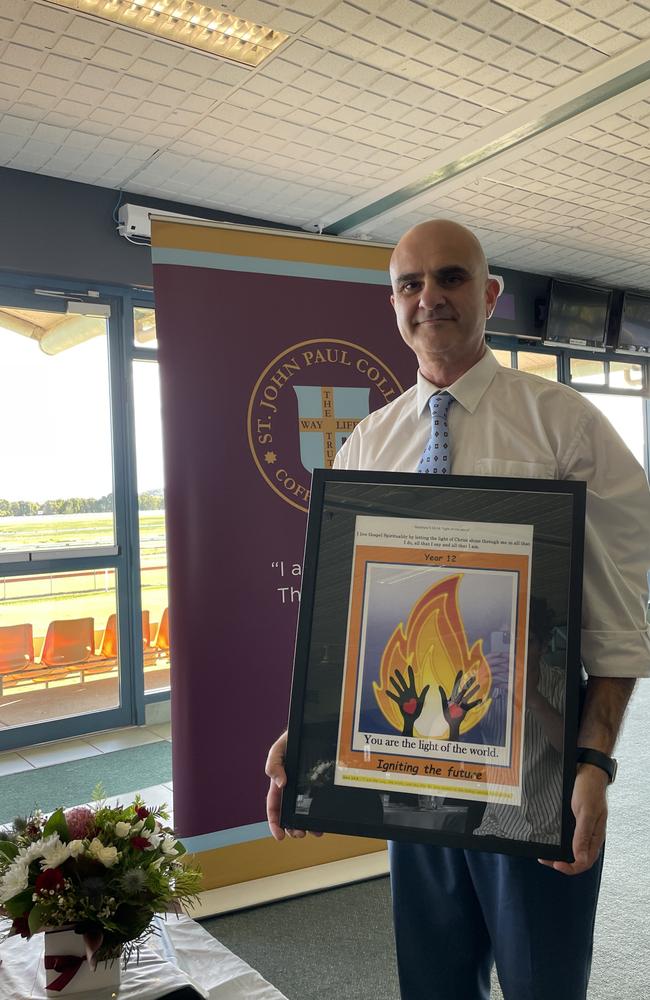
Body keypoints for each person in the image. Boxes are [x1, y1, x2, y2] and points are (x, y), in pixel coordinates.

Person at [265, 219, 650, 1000]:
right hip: (407, 763)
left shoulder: (566, 426)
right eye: (410, 284)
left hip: (537, 767)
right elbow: (355, 625)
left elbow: (618, 619)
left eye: (450, 278)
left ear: (491, 294)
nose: (428, 298)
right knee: (434, 984)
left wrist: (594, 765)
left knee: (544, 980)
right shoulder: (368, 443)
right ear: (393, 303)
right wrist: (303, 735)